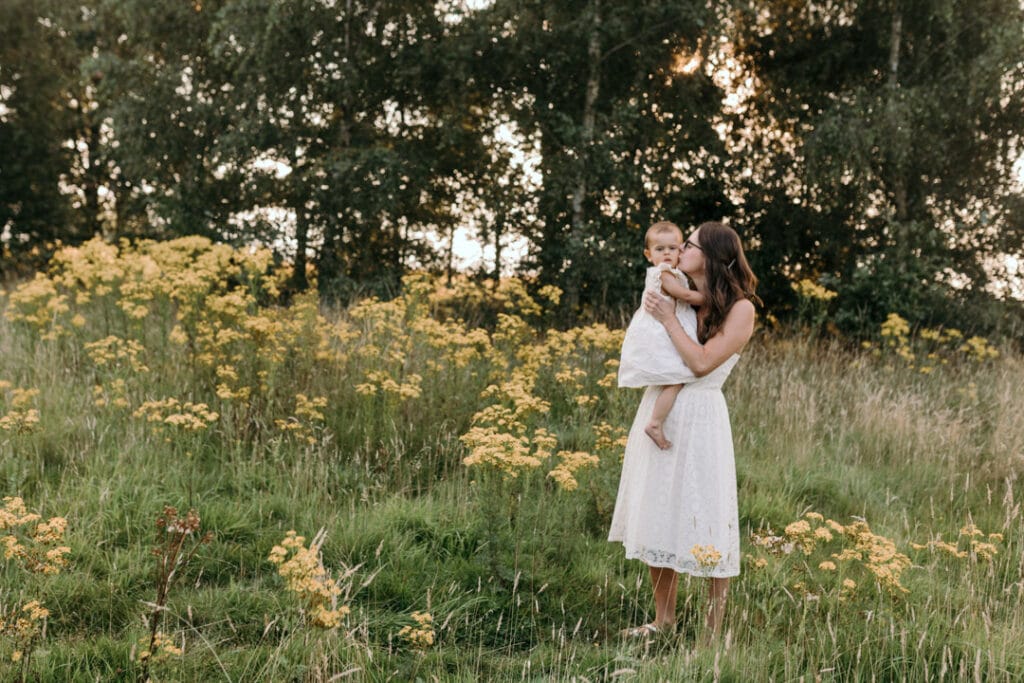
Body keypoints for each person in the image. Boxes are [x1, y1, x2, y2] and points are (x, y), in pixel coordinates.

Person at [608, 221, 760, 643]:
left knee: (708, 517)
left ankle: (713, 634)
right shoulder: (683, 299)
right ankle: (663, 619)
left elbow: (700, 363)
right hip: (661, 409)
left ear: (709, 255)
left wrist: (666, 319)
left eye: (688, 244)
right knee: (658, 511)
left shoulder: (740, 309)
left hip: (703, 417)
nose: (679, 249)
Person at [618, 221, 705, 450]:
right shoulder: (663, 273)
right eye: (659, 249)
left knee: (676, 378)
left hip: (666, 332)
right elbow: (683, 295)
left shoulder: (674, 273)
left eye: (673, 248)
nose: (667, 253)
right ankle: (655, 422)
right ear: (648, 255)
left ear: (680, 251)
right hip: (660, 336)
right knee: (676, 378)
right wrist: (710, 298)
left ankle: (657, 420)